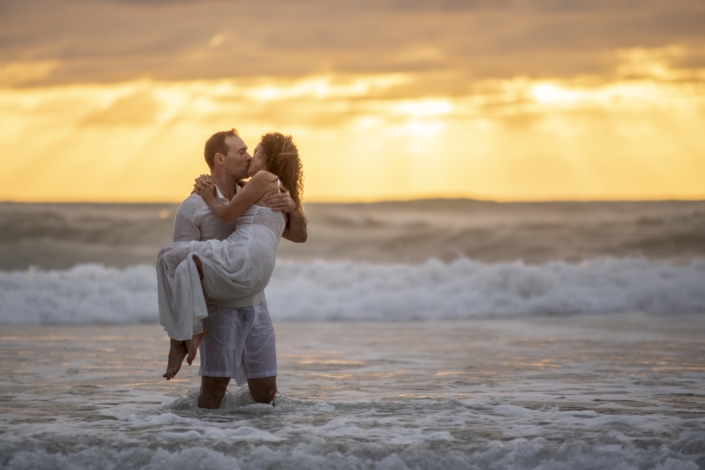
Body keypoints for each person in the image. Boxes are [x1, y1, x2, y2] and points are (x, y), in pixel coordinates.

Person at [158, 129, 306, 407]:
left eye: (253, 151)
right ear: (220, 159)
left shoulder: (253, 193)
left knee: (266, 395)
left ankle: (264, 447)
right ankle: (181, 338)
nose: (249, 157)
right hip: (220, 308)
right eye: (242, 152)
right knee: (213, 393)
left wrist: (292, 207)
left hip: (256, 303)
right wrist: (196, 321)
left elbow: (297, 235)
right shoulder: (194, 206)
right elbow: (185, 272)